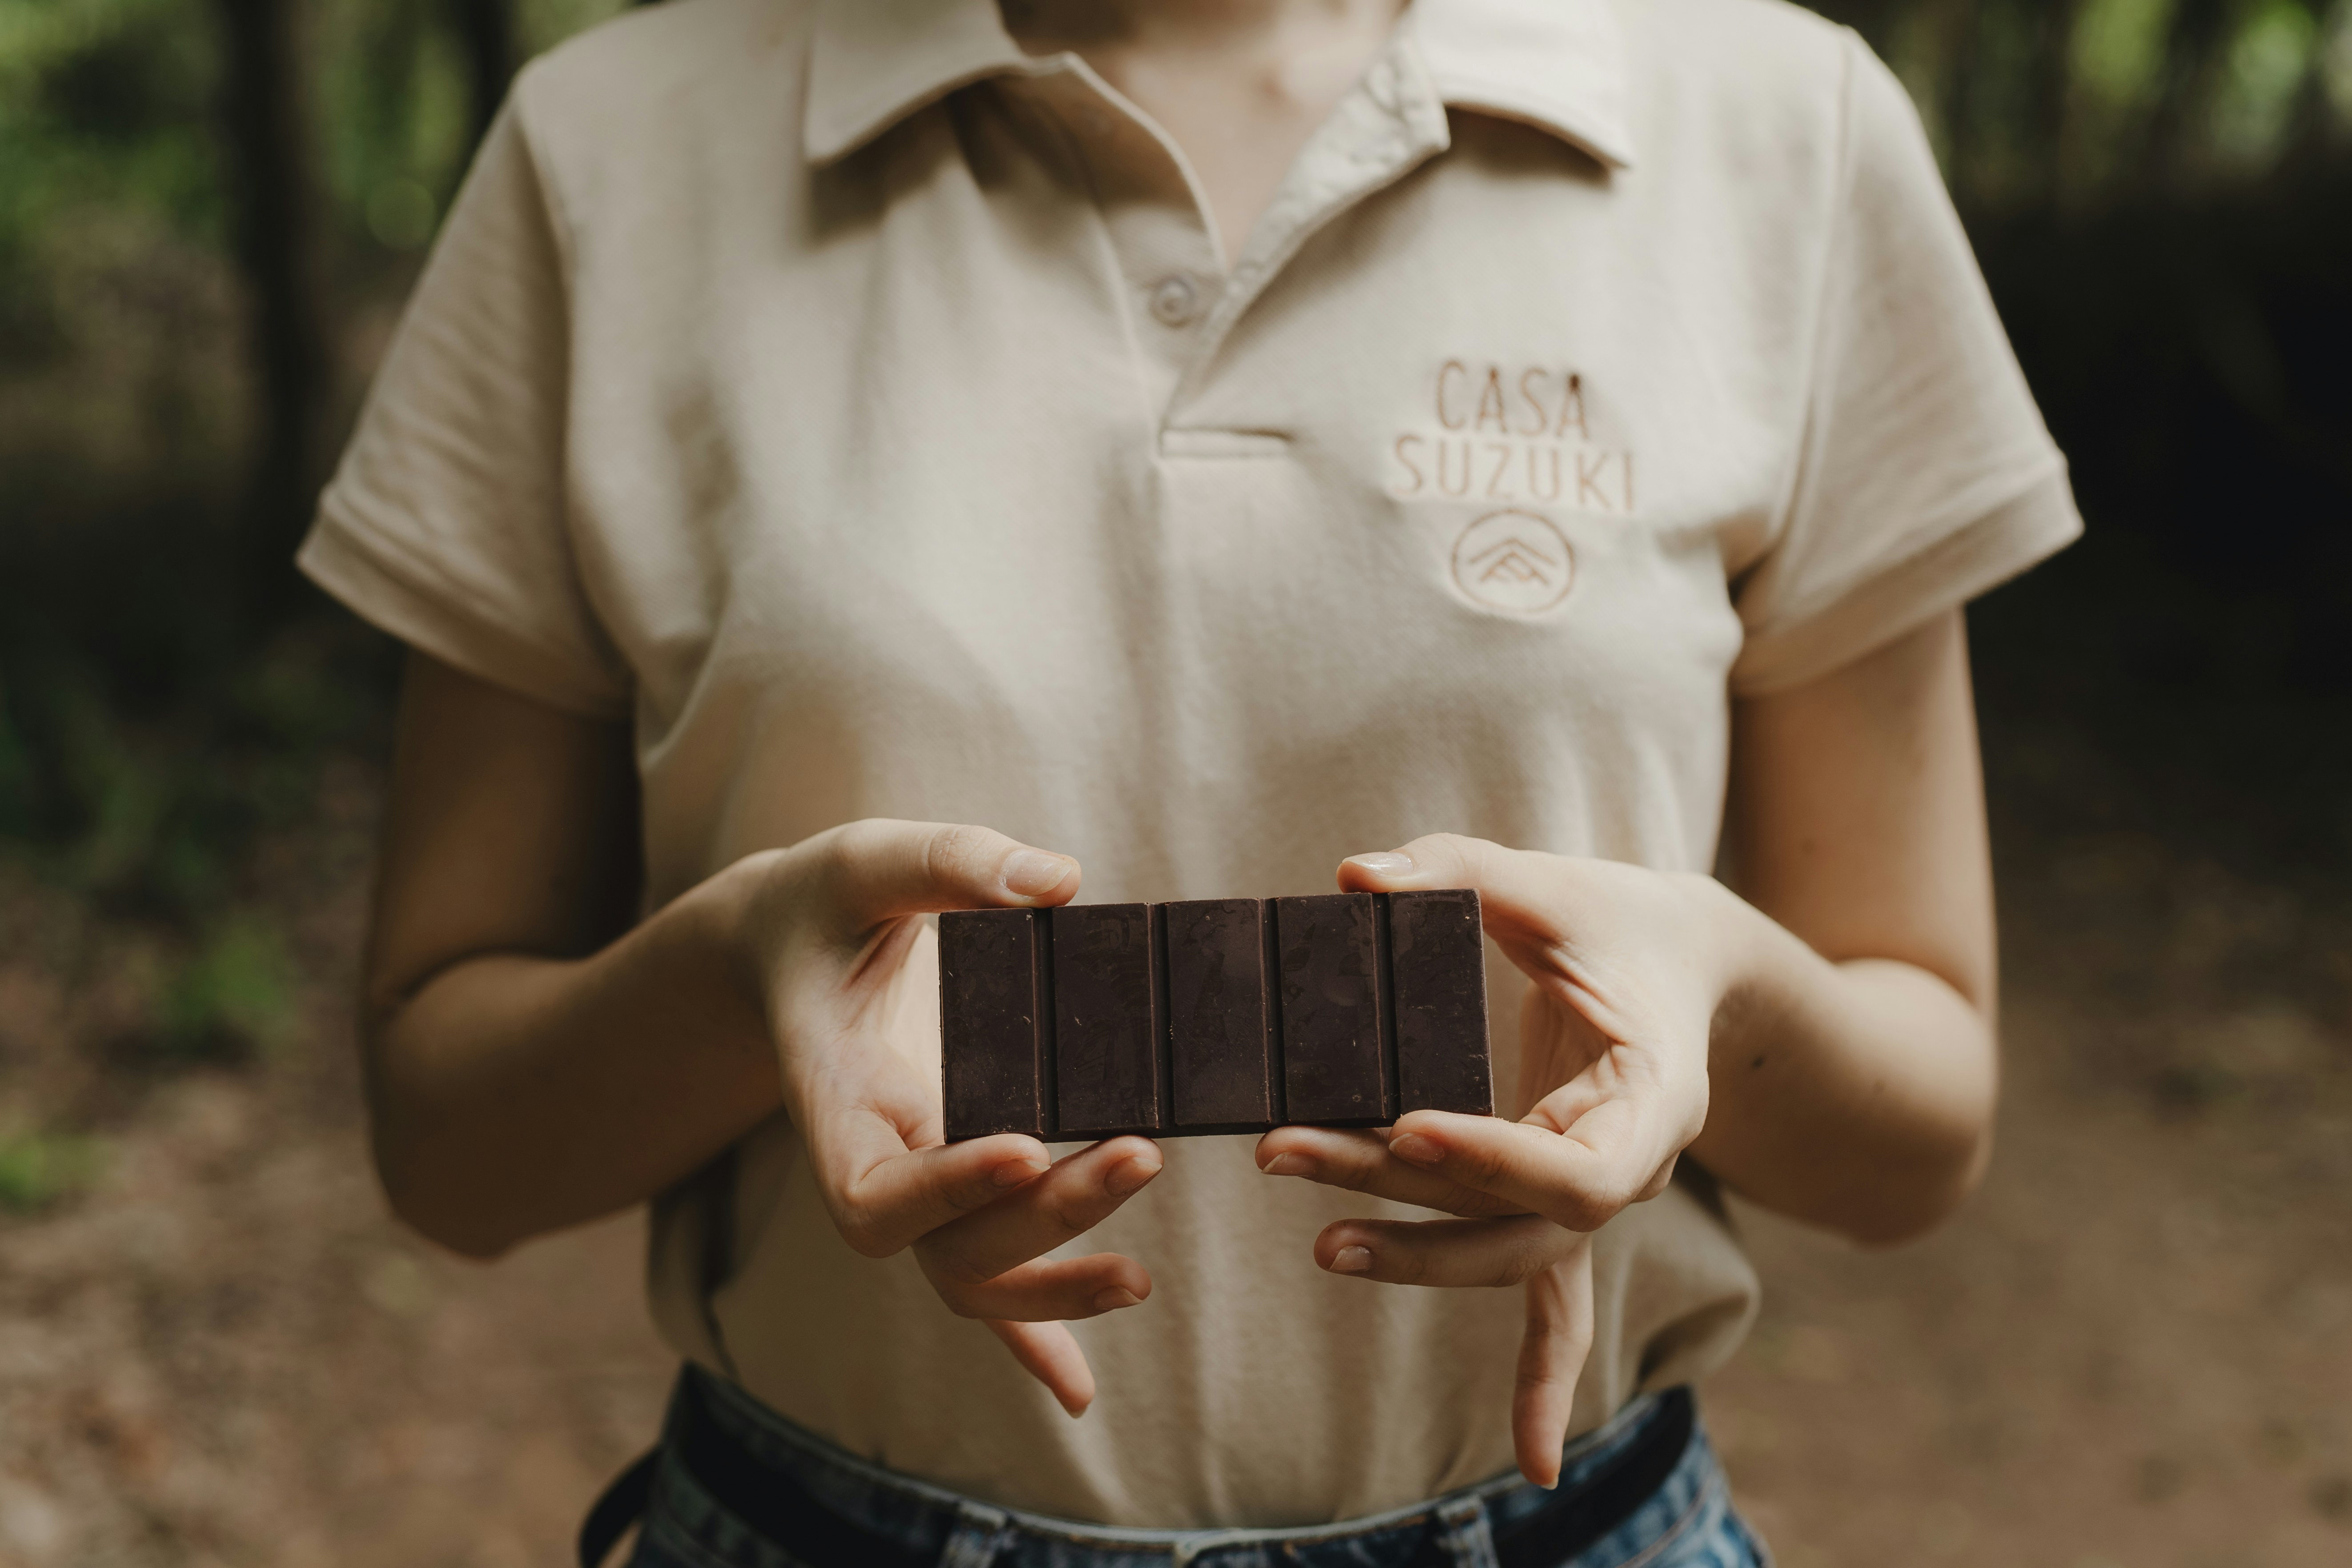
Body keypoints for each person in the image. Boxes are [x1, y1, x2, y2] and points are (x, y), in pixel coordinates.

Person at [299, 0, 2082, 1562]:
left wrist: (1719, 1003)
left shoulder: (1785, 129)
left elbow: (1919, 1130)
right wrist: (734, 977)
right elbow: (451, 1148)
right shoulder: (607, 147)